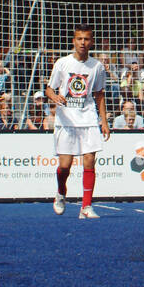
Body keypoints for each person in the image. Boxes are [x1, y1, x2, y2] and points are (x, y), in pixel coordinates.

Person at [45, 25, 110, 218]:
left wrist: (104, 121)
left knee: (90, 160)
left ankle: (86, 207)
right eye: (80, 39)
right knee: (65, 165)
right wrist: (55, 97)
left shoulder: (96, 66)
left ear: (92, 42)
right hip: (66, 119)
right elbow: (49, 88)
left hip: (88, 117)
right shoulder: (62, 63)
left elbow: (99, 95)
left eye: (87, 39)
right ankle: (61, 192)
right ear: (74, 41)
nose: (83, 43)